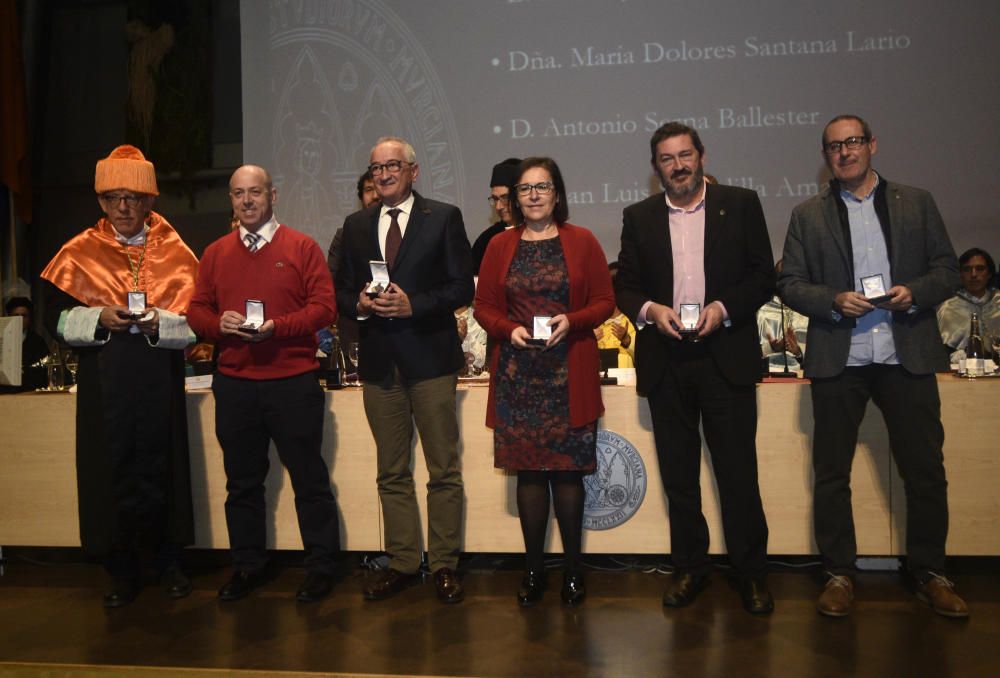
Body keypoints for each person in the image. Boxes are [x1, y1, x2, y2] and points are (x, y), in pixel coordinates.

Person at [779, 114, 968, 618]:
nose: (844, 152)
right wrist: (833, 300)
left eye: (853, 142)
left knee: (925, 472)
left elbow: (947, 269)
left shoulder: (917, 202)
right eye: (834, 146)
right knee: (831, 474)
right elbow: (790, 283)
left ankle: (930, 572)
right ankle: (839, 573)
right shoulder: (807, 214)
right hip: (840, 358)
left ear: (872, 145)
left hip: (905, 353)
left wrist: (915, 294)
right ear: (825, 156)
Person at [615, 122, 775, 615]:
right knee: (680, 478)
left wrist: (723, 309)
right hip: (666, 360)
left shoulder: (742, 204)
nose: (679, 165)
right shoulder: (638, 216)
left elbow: (762, 276)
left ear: (702, 156)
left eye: (685, 155)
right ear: (655, 167)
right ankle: (690, 568)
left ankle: (751, 574)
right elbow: (627, 287)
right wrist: (649, 312)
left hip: (723, 355)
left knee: (738, 475)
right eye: (667, 158)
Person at [39, 145, 198, 607]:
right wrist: (97, 318)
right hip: (102, 380)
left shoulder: (176, 250)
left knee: (161, 463)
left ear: (150, 201)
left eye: (132, 197)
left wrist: (159, 323)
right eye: (113, 199)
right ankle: (121, 569)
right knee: (110, 471)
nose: (123, 208)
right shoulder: (78, 251)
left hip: (157, 376)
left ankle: (168, 562)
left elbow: (197, 318)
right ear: (101, 203)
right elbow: (55, 318)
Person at [187, 165, 342, 604]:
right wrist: (218, 324)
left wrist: (279, 327)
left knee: (309, 479)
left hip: (292, 381)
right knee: (242, 484)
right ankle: (247, 565)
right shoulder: (215, 252)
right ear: (232, 200)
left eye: (255, 192)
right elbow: (195, 310)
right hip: (235, 384)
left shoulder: (302, 247)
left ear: (273, 195)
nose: (247, 201)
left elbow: (324, 308)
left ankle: (320, 566)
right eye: (238, 194)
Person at [336, 136, 474, 604]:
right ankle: (400, 562)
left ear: (413, 171)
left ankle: (444, 565)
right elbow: (336, 289)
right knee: (390, 472)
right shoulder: (355, 225)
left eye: (393, 165)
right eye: (377, 167)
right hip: (379, 365)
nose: (384, 173)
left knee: (443, 471)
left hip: (431, 361)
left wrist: (415, 304)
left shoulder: (444, 217)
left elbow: (461, 287)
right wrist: (356, 302)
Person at [475, 157, 613, 606]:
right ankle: (534, 571)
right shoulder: (499, 245)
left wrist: (570, 321)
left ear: (557, 194)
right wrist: (505, 329)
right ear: (514, 199)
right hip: (518, 377)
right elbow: (484, 307)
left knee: (569, 478)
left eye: (543, 187)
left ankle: (573, 572)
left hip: (567, 373)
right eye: (525, 189)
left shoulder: (583, 241)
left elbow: (604, 302)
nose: (534, 196)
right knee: (530, 477)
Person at [327, 170, 379, 368]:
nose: (374, 195)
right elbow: (332, 284)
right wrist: (359, 302)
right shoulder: (345, 235)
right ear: (361, 198)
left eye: (377, 189)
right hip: (356, 332)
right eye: (368, 190)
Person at [937, 247, 1000, 363]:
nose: (974, 274)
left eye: (980, 269)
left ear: (990, 273)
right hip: (958, 373)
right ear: (960, 274)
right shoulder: (947, 307)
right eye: (967, 269)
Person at [471, 158, 521, 275]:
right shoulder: (487, 239)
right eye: (495, 199)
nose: (498, 206)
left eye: (505, 198)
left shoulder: (539, 232)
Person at [757, 260, 808, 374]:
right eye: (782, 278)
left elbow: (820, 355)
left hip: (802, 377)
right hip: (768, 375)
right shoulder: (762, 311)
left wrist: (798, 352)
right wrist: (771, 347)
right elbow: (748, 354)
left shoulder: (808, 311)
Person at [1, 297, 49, 392]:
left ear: (30, 318)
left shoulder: (37, 342)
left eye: (24, 315)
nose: (20, 319)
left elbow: (44, 369)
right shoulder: (1, 339)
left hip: (29, 391)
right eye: (16, 315)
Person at [594, 262, 637, 368]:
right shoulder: (592, 324)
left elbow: (647, 359)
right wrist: (589, 342)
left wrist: (627, 340)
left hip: (627, 382)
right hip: (598, 381)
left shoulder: (635, 321)